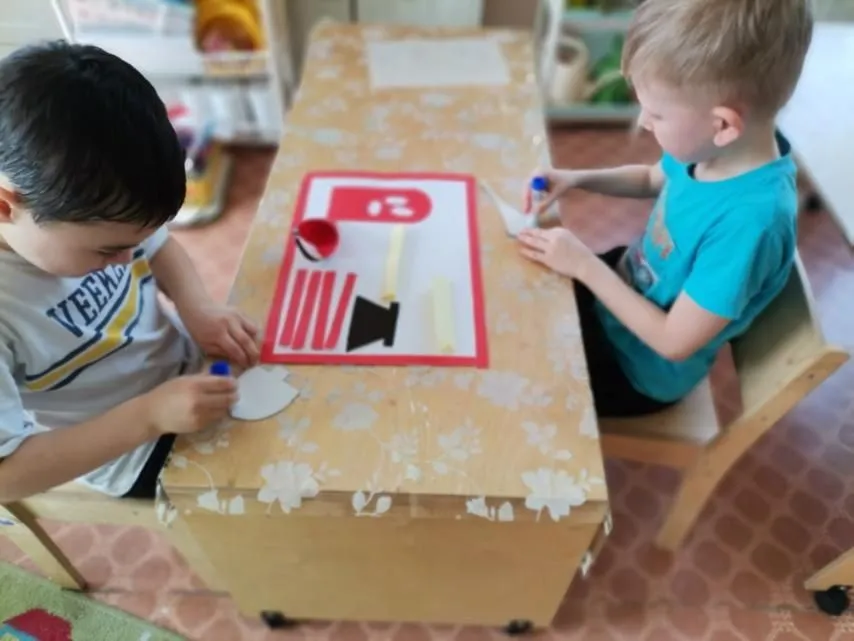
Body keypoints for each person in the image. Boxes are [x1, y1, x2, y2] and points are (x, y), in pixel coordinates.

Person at [518, 0, 812, 418]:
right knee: (523, 294)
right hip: (625, 288)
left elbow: (673, 342)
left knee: (525, 377)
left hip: (635, 368)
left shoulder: (751, 225)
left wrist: (584, 265)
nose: (642, 122)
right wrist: (576, 178)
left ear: (723, 125)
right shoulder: (712, 149)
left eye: (656, 113)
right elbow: (651, 179)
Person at [0, 41, 259, 502]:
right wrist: (150, 416)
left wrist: (197, 307)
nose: (127, 260)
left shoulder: (102, 219)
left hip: (183, 370)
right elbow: (7, 477)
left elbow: (159, 246)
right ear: (5, 206)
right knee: (265, 497)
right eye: (107, 251)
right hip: (128, 452)